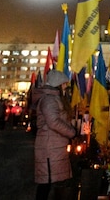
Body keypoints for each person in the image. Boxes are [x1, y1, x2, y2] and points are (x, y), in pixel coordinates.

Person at [33, 69, 78, 200]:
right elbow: (53, 122)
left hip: (54, 145)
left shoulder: (53, 99)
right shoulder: (49, 100)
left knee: (50, 182)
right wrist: (72, 132)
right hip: (49, 146)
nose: (65, 86)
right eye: (64, 84)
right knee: (46, 183)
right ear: (58, 84)